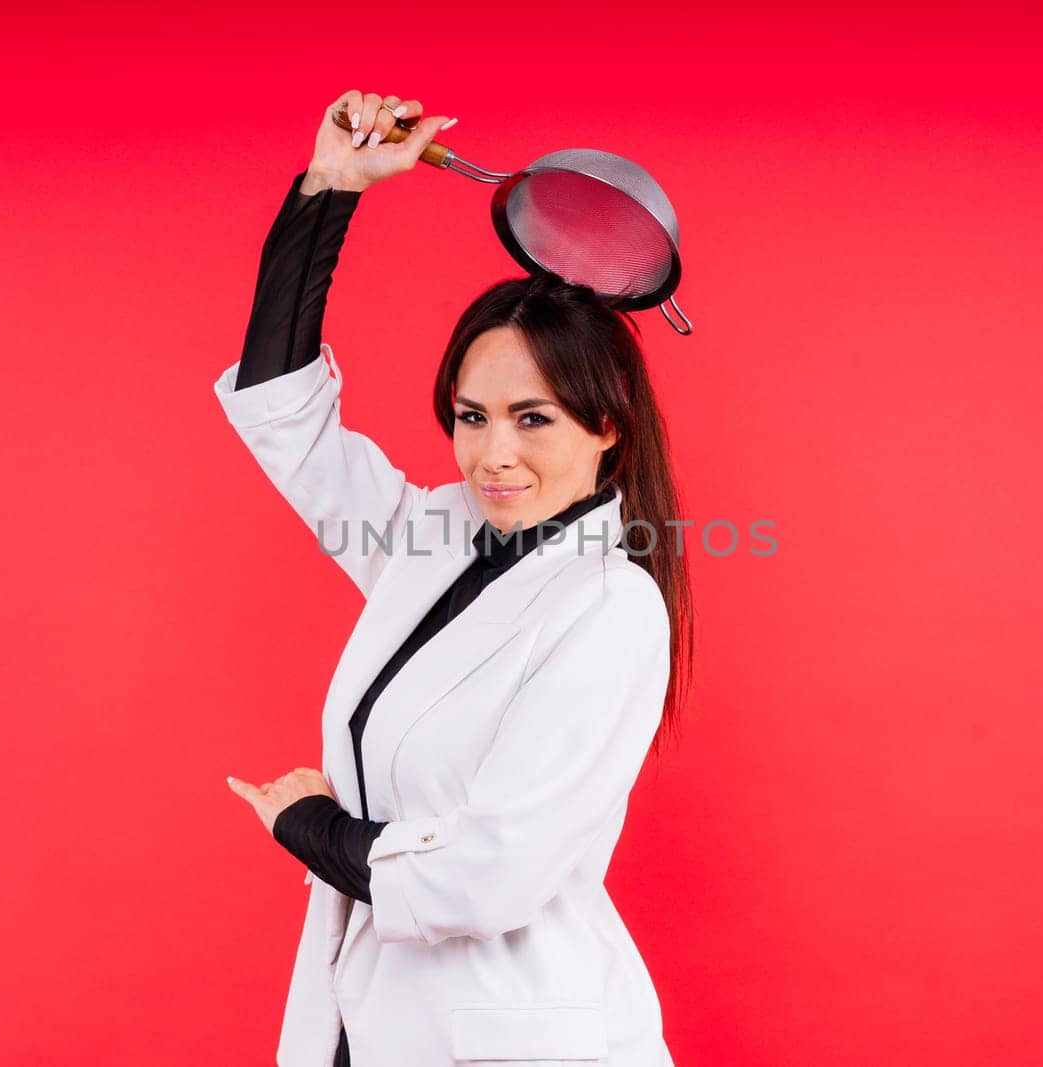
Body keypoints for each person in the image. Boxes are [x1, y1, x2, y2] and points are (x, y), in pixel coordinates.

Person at [217, 89, 694, 1067]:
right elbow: (283, 413)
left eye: (533, 417)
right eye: (471, 415)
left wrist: (306, 823)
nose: (492, 456)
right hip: (364, 1022)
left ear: (607, 427)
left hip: (514, 1037)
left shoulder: (610, 608)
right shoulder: (430, 534)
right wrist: (329, 190)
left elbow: (485, 878)